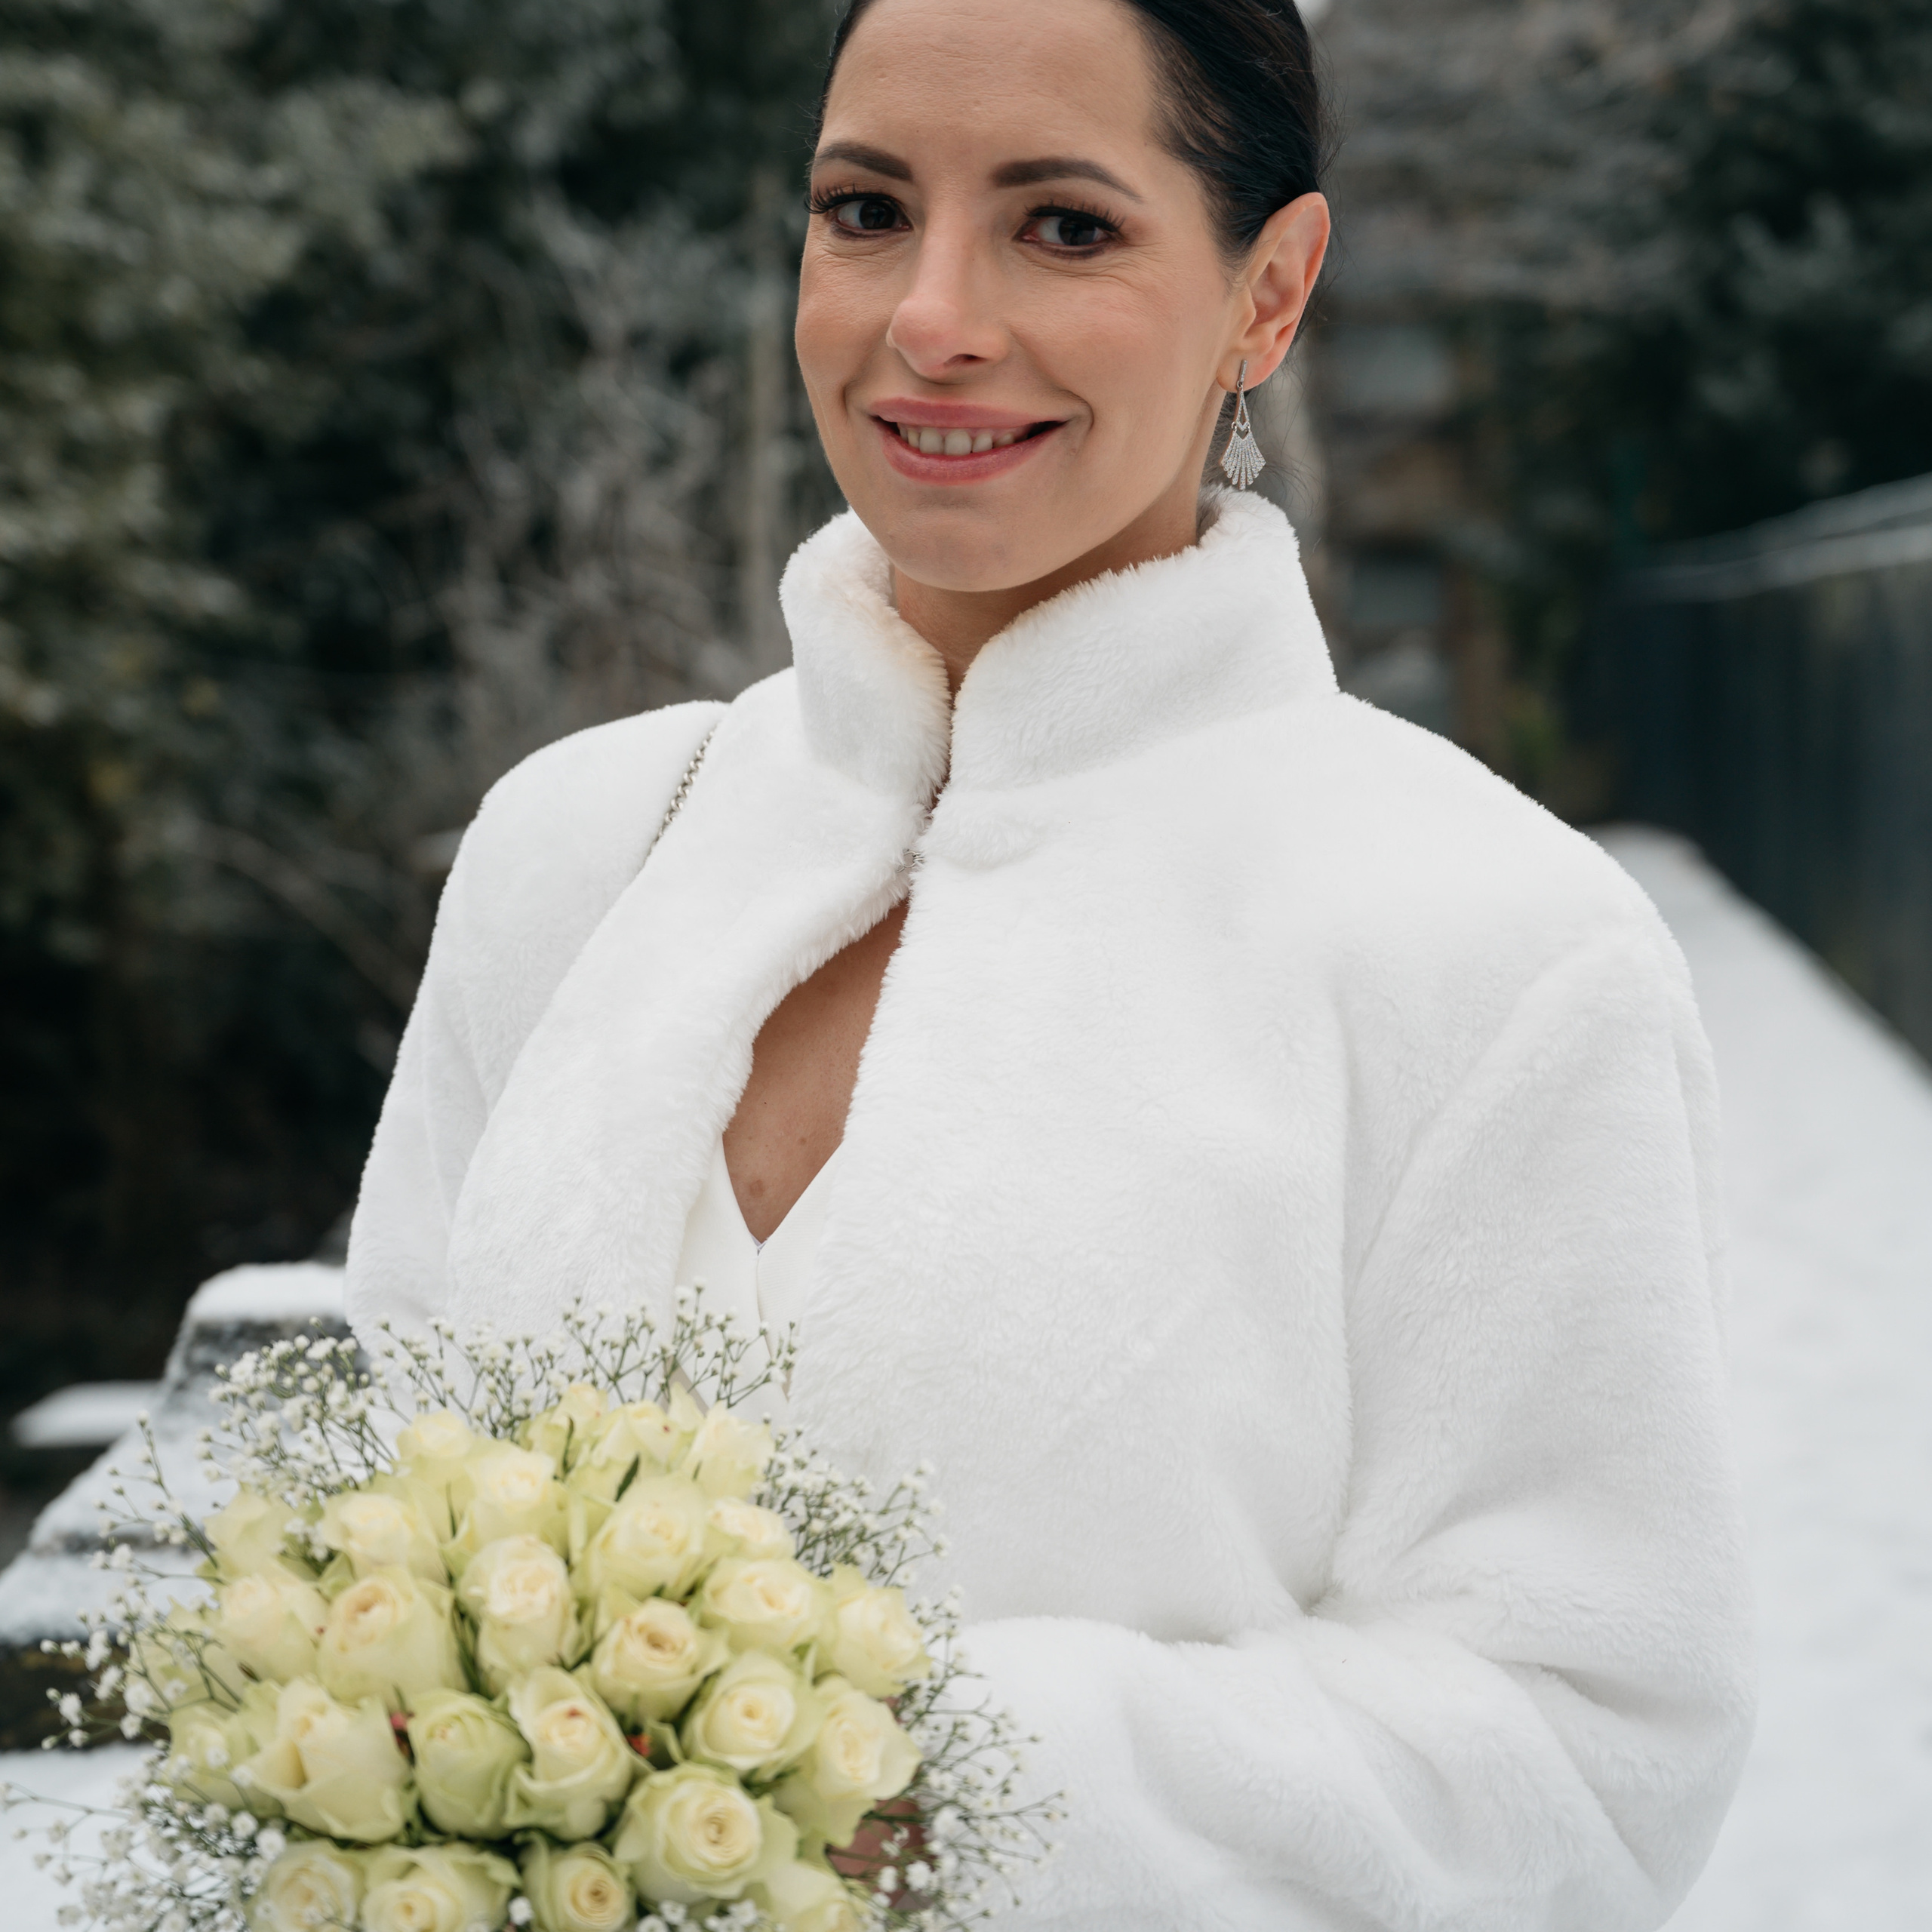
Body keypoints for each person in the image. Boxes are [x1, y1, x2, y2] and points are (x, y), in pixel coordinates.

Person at [346, 0, 1755, 1923]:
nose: (929, 315)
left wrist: (893, 1766)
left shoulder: (1496, 950)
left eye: (1062, 226)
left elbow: (1588, 1752)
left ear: (1269, 293)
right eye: (863, 210)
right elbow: (365, 1531)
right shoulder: (575, 848)